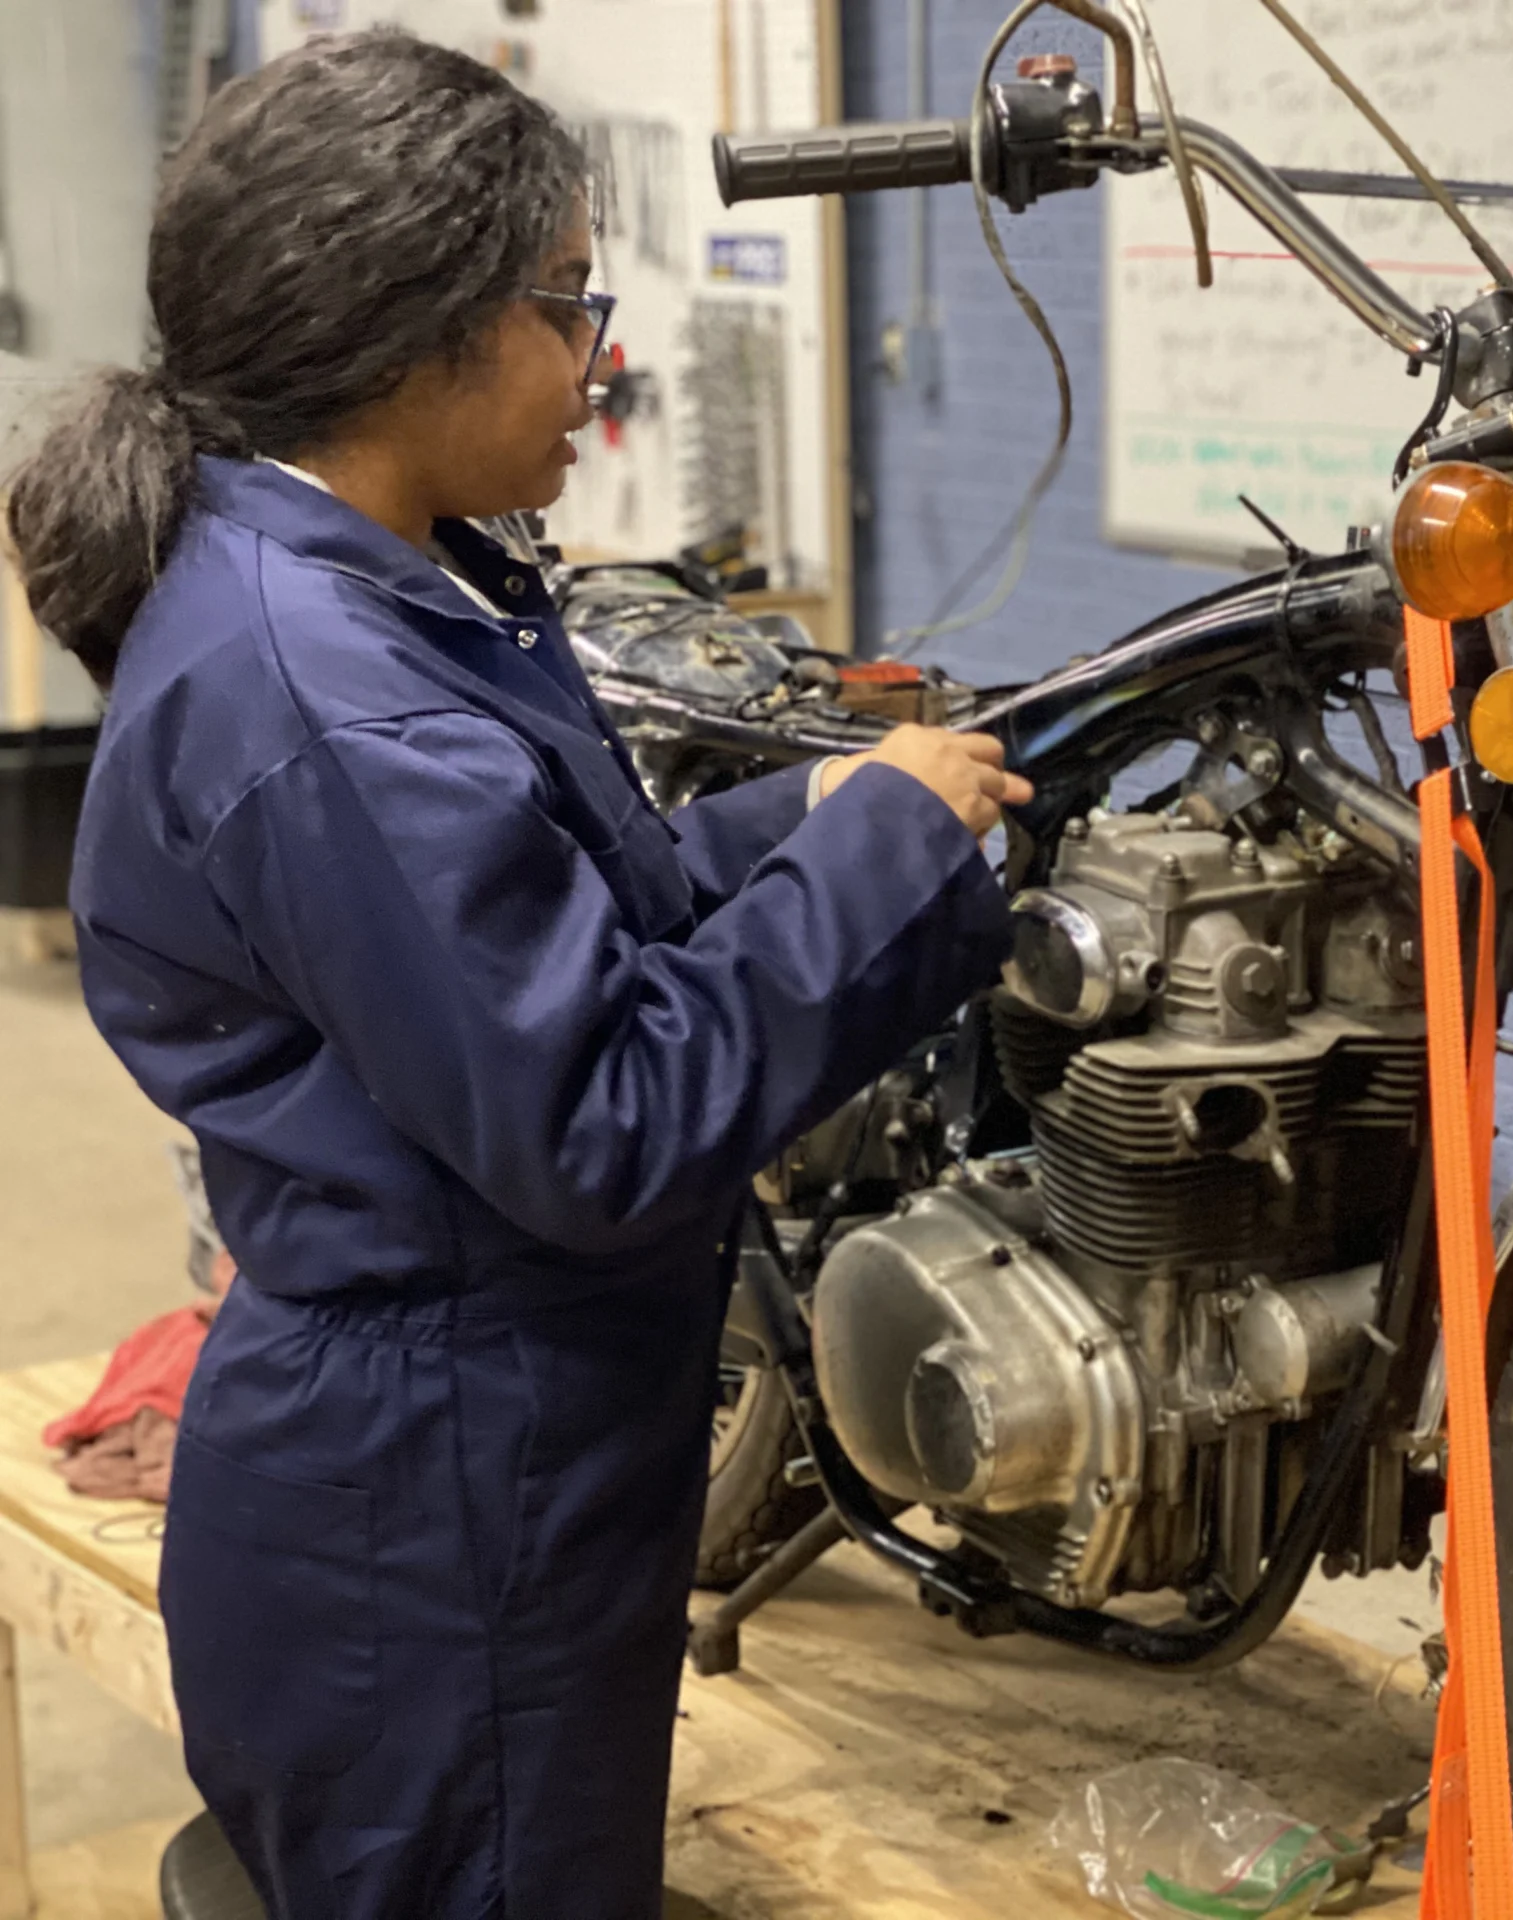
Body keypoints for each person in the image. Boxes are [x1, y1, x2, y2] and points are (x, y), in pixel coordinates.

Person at [2, 31, 1023, 1916]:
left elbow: (540, 907)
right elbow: (603, 1117)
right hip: (438, 1531)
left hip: (491, 1470)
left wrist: (802, 814)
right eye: (568, 306)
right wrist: (883, 856)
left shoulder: (370, 583)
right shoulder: (322, 696)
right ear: (416, 335)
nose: (598, 355)